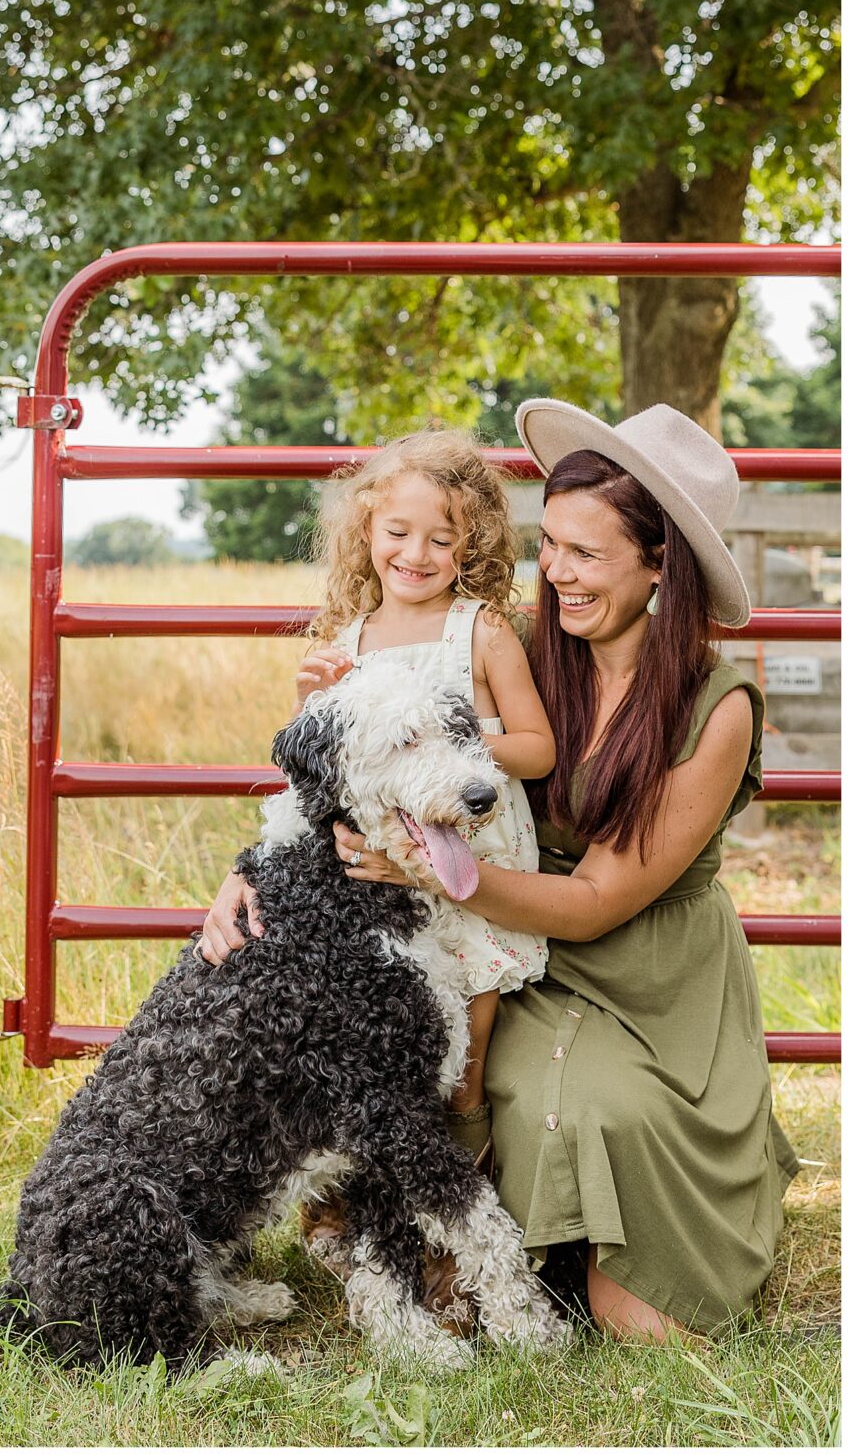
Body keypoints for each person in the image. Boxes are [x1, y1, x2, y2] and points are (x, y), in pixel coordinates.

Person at [202, 401, 798, 1341]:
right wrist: (252, 872)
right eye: (550, 546)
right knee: (454, 1067)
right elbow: (368, 760)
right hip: (513, 945)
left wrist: (430, 877)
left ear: (661, 568)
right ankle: (432, 1246)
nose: (555, 572)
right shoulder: (517, 643)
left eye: (586, 555)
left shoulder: (713, 708)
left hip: (640, 970)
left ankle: (578, 1241)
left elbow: (598, 901)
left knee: (647, 1322)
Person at [244, 428, 556, 1160]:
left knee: (467, 1041)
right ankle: (376, 1192)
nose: (415, 556)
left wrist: (444, 755)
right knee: (387, 1037)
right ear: (365, 527)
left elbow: (536, 749)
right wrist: (305, 700)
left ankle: (464, 1183)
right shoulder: (345, 642)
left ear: (469, 545)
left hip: (474, 859)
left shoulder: (479, 631)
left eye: (440, 540)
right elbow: (322, 770)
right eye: (397, 532)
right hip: (384, 882)